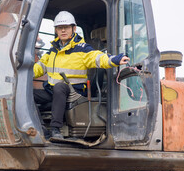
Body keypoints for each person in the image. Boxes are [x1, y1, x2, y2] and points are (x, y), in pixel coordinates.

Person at [33, 11, 130, 139]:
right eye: (60, 28)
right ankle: (40, 128)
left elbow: (97, 58)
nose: (63, 31)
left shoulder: (82, 49)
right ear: (56, 30)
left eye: (66, 27)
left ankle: (55, 129)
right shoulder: (53, 51)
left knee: (60, 87)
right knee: (28, 93)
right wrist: (19, 72)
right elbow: (40, 67)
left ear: (73, 28)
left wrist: (114, 60)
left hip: (75, 91)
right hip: (53, 92)